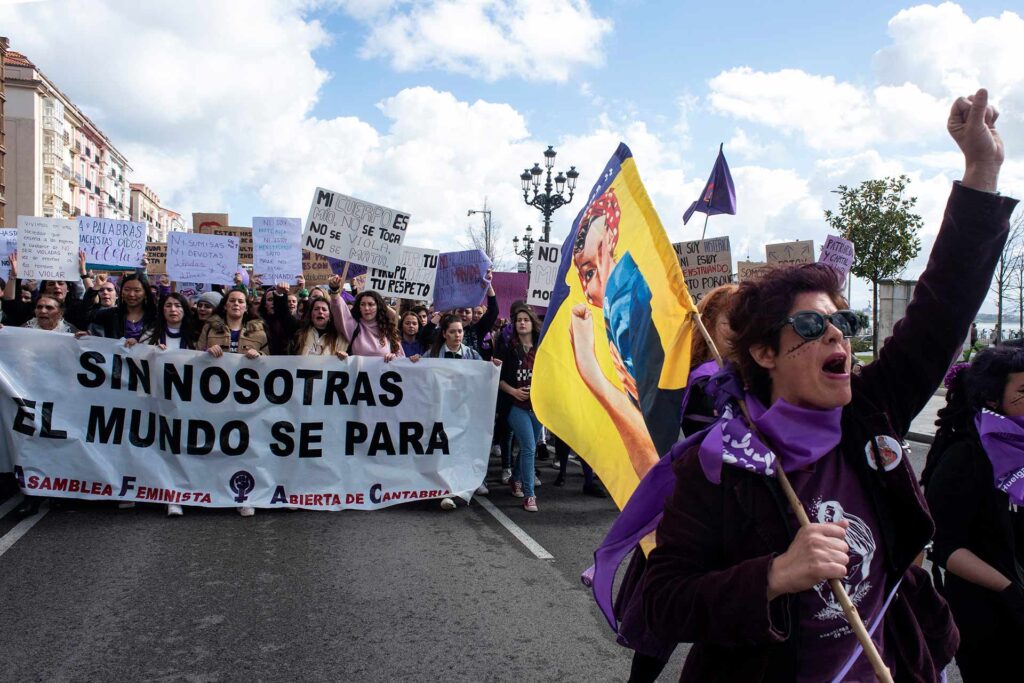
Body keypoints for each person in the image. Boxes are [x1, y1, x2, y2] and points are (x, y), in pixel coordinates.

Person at [626, 89, 1013, 681]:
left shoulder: (870, 411)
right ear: (764, 352)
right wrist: (775, 575)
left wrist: (980, 171)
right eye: (812, 325)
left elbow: (944, 305)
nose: (838, 337)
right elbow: (662, 601)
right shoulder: (716, 463)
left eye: (844, 322)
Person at [922, 348, 1024, 681]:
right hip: (990, 618)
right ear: (993, 400)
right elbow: (944, 545)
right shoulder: (966, 456)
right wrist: (1009, 589)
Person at [198, 288, 269, 517]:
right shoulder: (210, 328)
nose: (236, 305)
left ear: (246, 307)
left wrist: (259, 358)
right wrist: (208, 352)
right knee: (218, 443)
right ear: (225, 305)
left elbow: (272, 363)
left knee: (245, 446)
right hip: (216, 397)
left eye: (240, 301)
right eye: (232, 301)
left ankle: (244, 495)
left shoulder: (259, 333)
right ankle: (215, 491)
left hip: (247, 401)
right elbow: (194, 356)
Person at [426, 313, 496, 508]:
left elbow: (484, 376)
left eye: (460, 331)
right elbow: (418, 374)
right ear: (444, 334)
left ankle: (470, 483)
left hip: (465, 410)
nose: (458, 335)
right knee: (444, 451)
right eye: (453, 332)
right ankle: (446, 492)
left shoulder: (472, 354)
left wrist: (492, 368)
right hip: (441, 410)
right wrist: (413, 361)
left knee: (463, 449)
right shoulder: (432, 354)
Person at [497, 307, 543, 512]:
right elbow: (498, 379)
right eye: (518, 320)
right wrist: (514, 392)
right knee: (529, 447)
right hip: (515, 406)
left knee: (528, 448)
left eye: (526, 320)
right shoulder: (509, 348)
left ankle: (515, 478)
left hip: (539, 406)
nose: (522, 323)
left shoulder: (543, 349)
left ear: (533, 323)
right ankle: (529, 495)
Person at [328, 276, 403, 360]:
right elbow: (339, 310)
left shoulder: (388, 330)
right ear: (359, 307)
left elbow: (401, 359)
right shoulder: (353, 327)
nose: (366, 308)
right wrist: (334, 290)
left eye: (371, 304)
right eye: (362, 304)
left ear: (378, 307)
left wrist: (394, 357)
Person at [89, 272, 157, 341]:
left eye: (137, 290)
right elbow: (84, 316)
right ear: (121, 292)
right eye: (127, 290)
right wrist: (96, 287)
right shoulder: (112, 314)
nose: (131, 294)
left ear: (145, 293)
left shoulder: (155, 316)